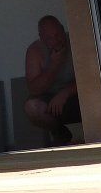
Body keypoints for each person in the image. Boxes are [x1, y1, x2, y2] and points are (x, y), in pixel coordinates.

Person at [24, 15, 80, 145]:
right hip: (51, 103)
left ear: (62, 29)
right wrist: (54, 66)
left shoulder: (76, 41)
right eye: (49, 38)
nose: (55, 41)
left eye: (57, 35)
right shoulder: (35, 51)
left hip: (78, 95)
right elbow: (34, 89)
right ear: (42, 38)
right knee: (32, 107)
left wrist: (65, 93)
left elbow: (92, 76)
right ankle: (61, 133)